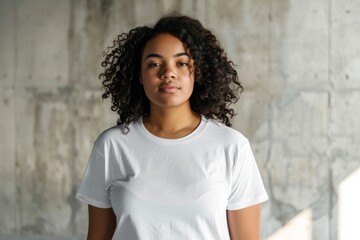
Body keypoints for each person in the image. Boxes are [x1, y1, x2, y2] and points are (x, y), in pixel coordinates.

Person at [76, 13, 268, 240]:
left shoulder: (231, 146)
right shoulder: (112, 146)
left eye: (182, 63)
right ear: (139, 75)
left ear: (197, 71)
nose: (168, 73)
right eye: (154, 64)